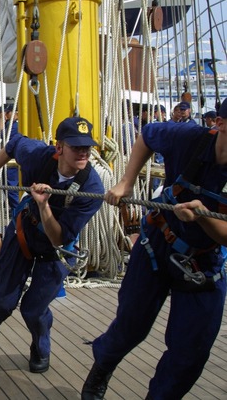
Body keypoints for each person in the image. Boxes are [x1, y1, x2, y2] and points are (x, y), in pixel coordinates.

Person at [81, 100, 227, 400]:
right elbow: (147, 135)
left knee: (191, 353)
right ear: (220, 124)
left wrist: (202, 218)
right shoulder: (189, 139)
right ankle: (103, 363)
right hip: (157, 246)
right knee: (130, 327)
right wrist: (126, 182)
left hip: (205, 262)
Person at [0, 117, 104, 373]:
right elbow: (13, 144)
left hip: (56, 248)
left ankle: (40, 347)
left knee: (34, 308)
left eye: (87, 147)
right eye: (76, 147)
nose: (84, 152)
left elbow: (59, 238)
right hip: (24, 233)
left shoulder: (92, 188)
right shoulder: (38, 156)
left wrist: (43, 205)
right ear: (59, 147)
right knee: (5, 300)